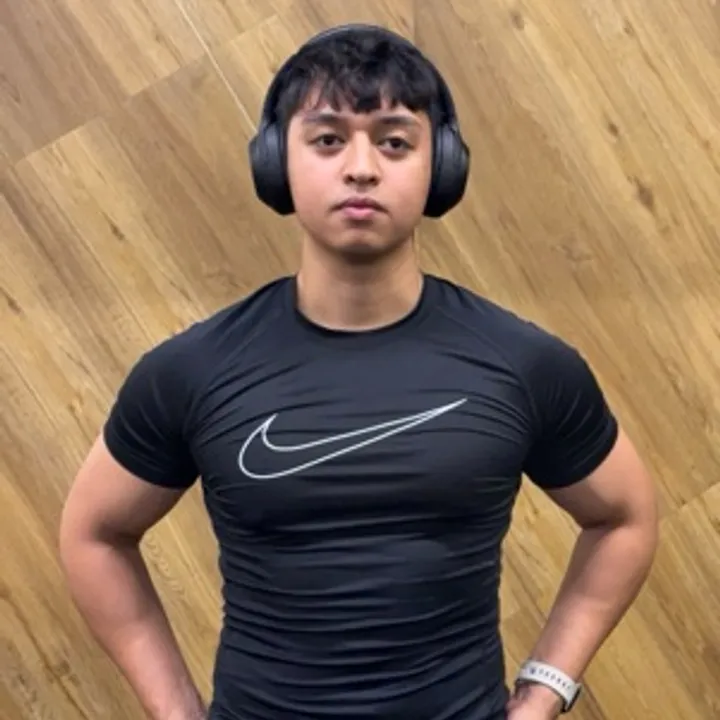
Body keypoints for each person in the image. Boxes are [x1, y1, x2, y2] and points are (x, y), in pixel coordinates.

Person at [59, 23, 659, 720]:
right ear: (276, 162)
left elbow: (624, 518)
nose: (362, 168)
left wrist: (543, 692)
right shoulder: (192, 370)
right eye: (327, 139)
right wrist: (175, 713)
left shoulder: (523, 364)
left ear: (442, 167)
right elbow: (94, 533)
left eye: (395, 142)